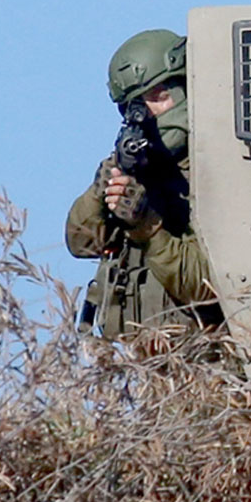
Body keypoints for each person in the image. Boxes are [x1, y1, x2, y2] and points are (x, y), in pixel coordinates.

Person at [67, 29, 220, 339]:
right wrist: (104, 186)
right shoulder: (145, 170)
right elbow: (82, 243)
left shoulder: (223, 171)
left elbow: (206, 287)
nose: (149, 115)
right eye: (136, 106)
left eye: (159, 97)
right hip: (146, 369)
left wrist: (147, 228)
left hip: (209, 366)